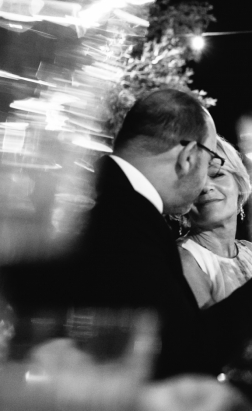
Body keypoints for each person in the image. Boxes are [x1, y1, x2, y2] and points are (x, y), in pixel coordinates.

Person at [66, 89, 220, 378]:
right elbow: (175, 348)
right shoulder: (123, 217)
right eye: (210, 162)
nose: (206, 183)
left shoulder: (100, 194)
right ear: (188, 156)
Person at [175, 136, 252, 406]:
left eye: (216, 175)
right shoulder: (186, 259)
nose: (205, 187)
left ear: (240, 184)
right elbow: (214, 349)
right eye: (196, 179)